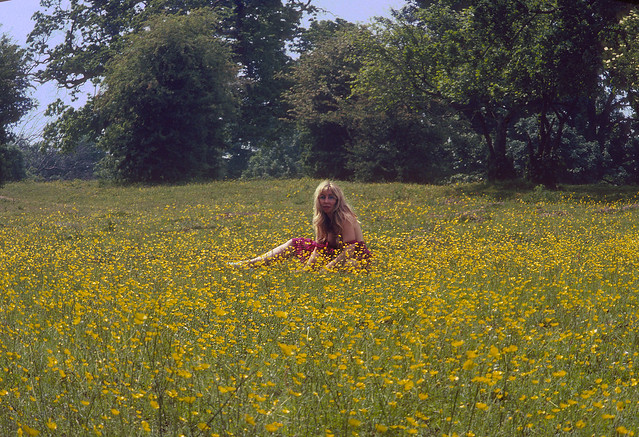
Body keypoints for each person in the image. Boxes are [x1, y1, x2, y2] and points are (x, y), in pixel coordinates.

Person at [229, 180, 372, 271]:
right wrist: (306, 270)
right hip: (331, 255)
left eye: (331, 197)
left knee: (351, 266)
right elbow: (319, 249)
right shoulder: (322, 219)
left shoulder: (345, 217)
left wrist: (326, 270)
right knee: (295, 243)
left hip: (353, 257)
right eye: (322, 197)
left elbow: (351, 250)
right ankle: (250, 264)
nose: (326, 201)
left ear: (337, 200)